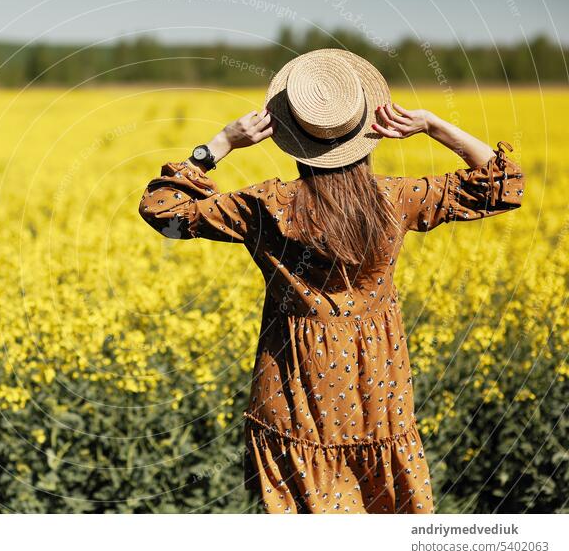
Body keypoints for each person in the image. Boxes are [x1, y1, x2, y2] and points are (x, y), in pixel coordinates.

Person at [137, 49, 524, 514]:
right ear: (364, 133)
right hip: (378, 391)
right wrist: (432, 125)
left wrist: (220, 143)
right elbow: (502, 184)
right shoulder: (395, 199)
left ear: (288, 135)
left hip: (292, 392)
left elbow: (163, 209)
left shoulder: (267, 206)